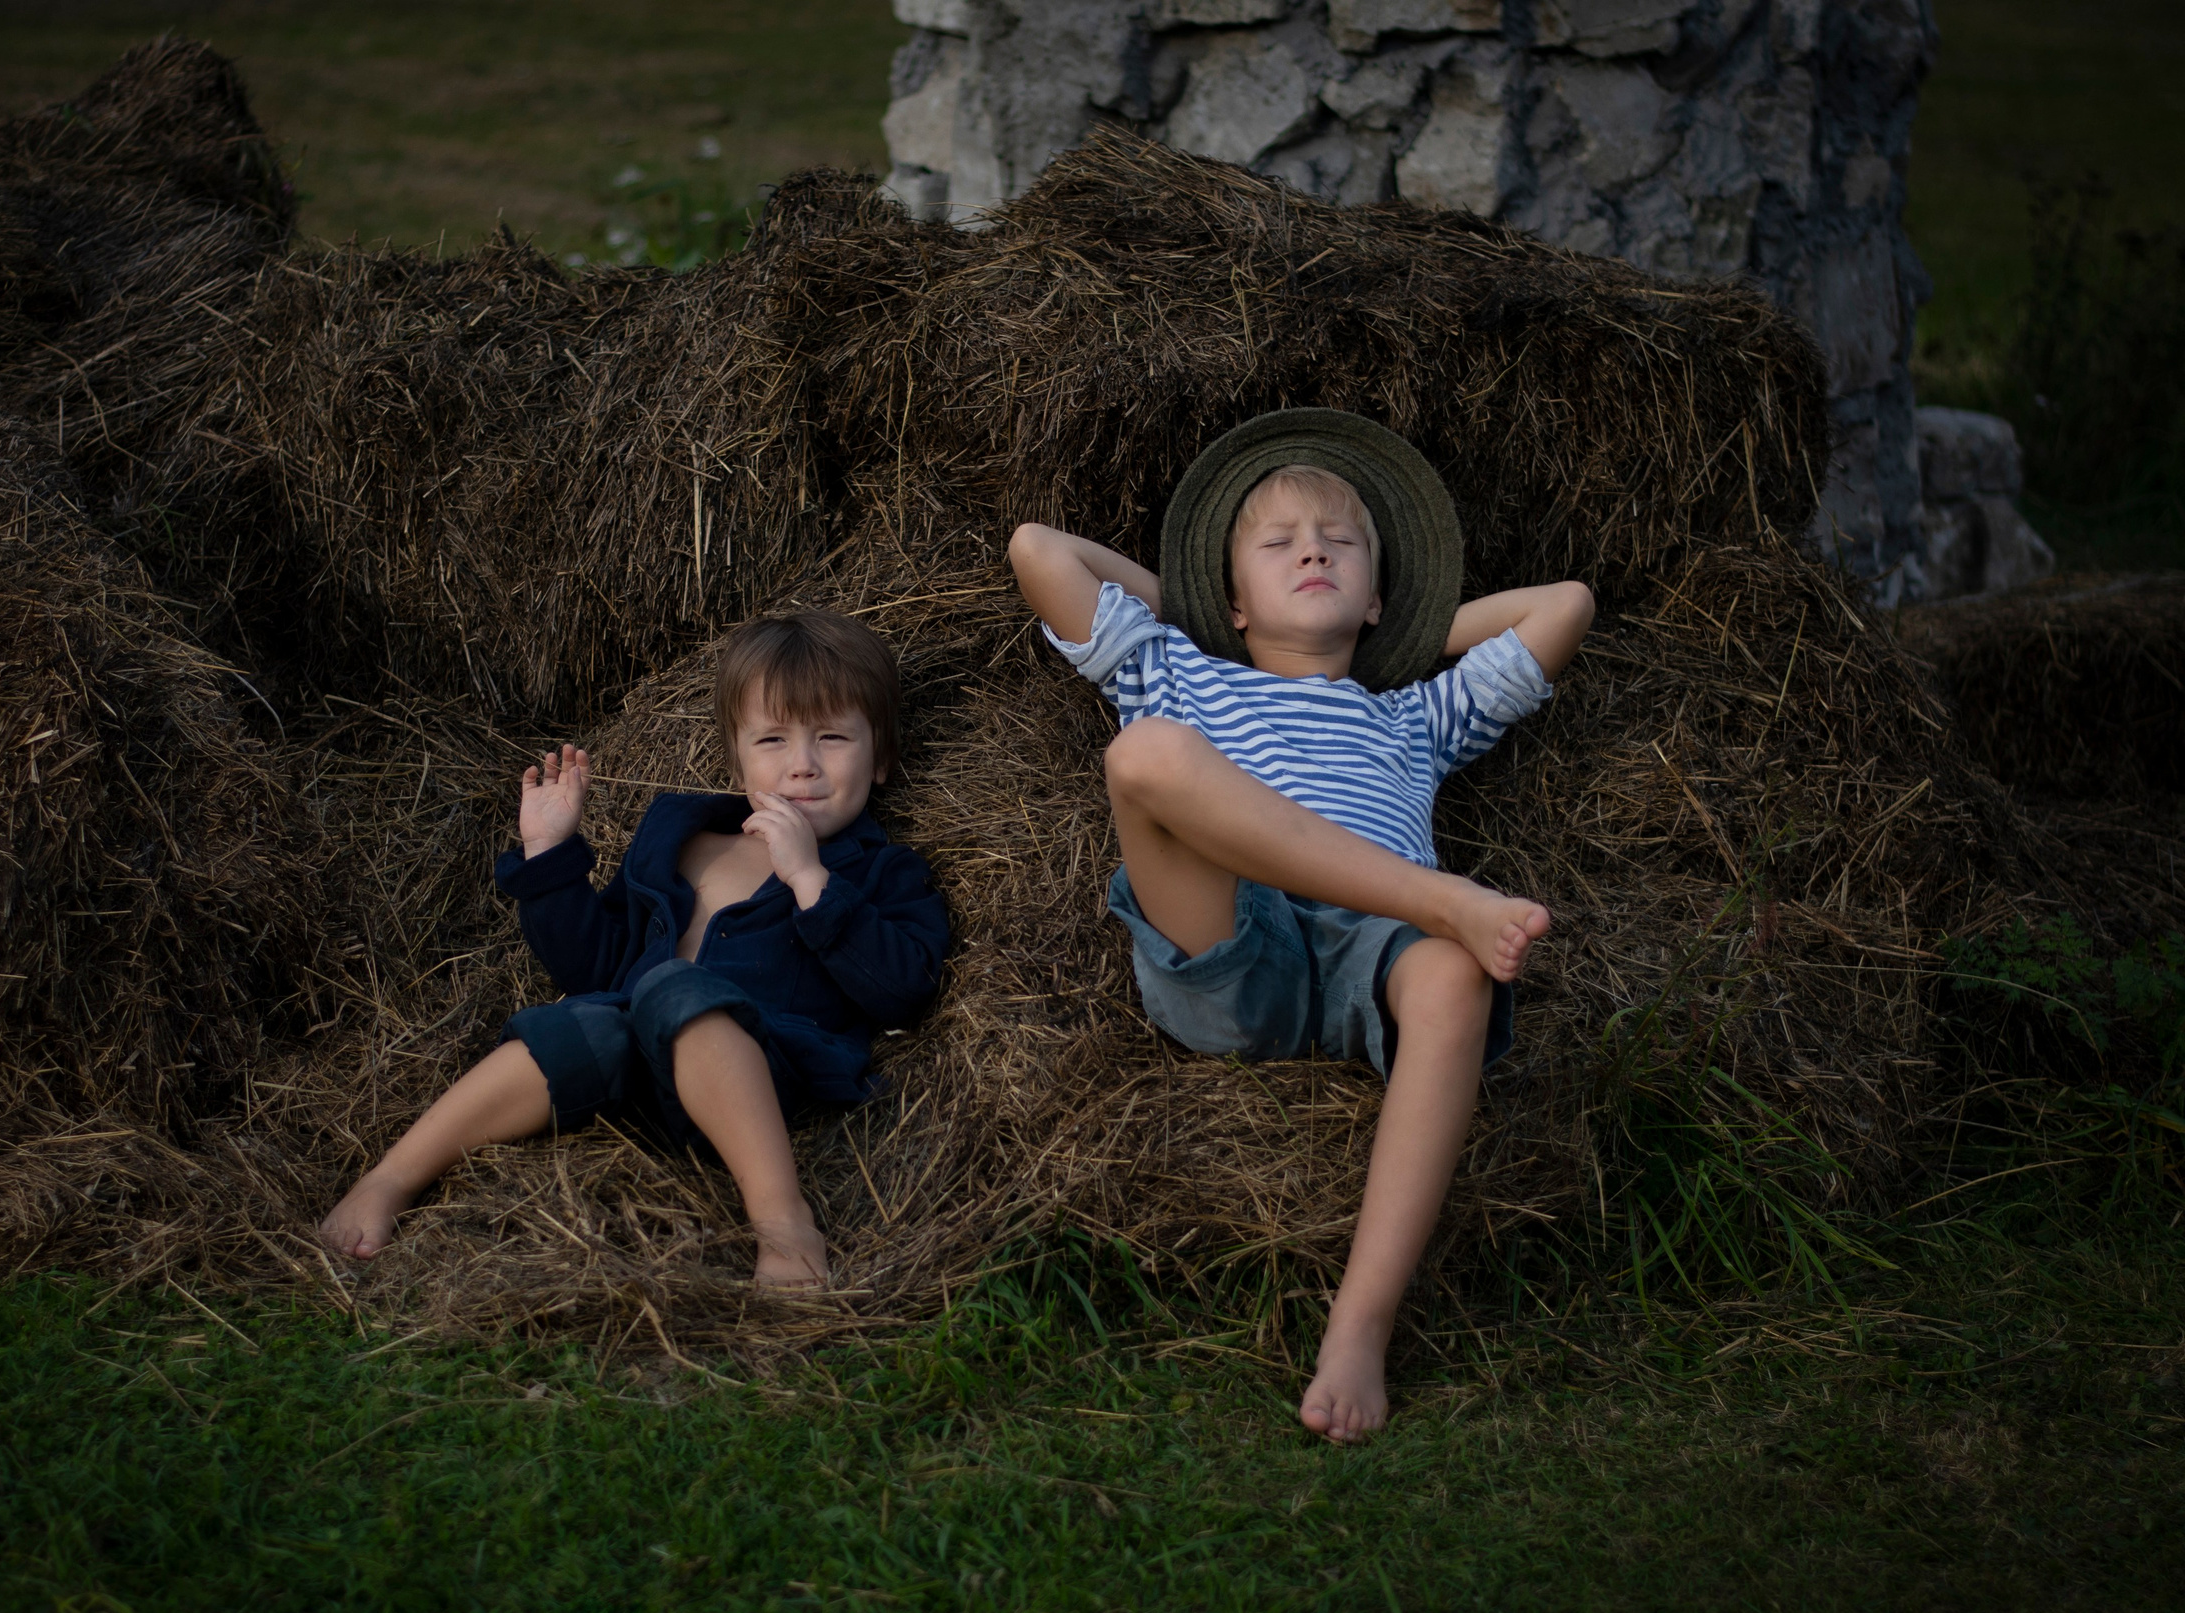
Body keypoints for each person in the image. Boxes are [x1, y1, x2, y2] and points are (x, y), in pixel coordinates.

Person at [1007, 409, 1594, 1441]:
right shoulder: (1181, 673)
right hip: (1238, 930)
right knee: (1145, 755)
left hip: (1372, 946)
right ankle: (1440, 897)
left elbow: (1563, 607)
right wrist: (1193, 610)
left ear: (1375, 596)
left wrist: (1402, 628)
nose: (1310, 550)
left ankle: (1359, 1327)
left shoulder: (1410, 714)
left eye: (1337, 544)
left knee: (1455, 981)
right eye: (1276, 546)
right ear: (1231, 598)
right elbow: (1036, 552)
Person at [319, 609, 948, 1288]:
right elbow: (595, 964)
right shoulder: (679, 839)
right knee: (577, 1020)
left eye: (832, 737)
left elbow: (904, 988)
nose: (802, 765)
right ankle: (390, 1177)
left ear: (880, 755)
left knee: (678, 990)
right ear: (736, 756)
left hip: (763, 1072)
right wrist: (550, 855)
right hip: (630, 1059)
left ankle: (782, 1219)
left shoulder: (880, 871)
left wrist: (810, 879)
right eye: (772, 738)